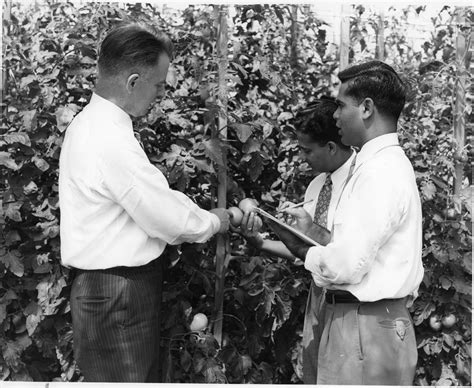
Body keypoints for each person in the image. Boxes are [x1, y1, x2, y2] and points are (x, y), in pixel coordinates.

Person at [58, 23, 230, 382]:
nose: (160, 96)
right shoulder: (109, 138)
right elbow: (163, 214)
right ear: (133, 82)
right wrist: (214, 220)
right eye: (158, 85)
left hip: (108, 293)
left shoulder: (88, 125)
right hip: (117, 293)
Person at [269, 60, 424, 385]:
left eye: (341, 106)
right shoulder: (377, 166)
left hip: (364, 328)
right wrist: (311, 232)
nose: (335, 115)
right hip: (362, 323)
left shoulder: (378, 172)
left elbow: (346, 264)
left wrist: (302, 248)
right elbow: (354, 246)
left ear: (366, 108)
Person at [240, 98, 356, 383]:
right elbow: (306, 251)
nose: (302, 157)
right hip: (319, 298)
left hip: (352, 304)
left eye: (307, 150)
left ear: (330, 146)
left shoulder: (363, 181)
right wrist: (261, 242)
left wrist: (311, 229)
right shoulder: (318, 184)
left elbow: (352, 255)